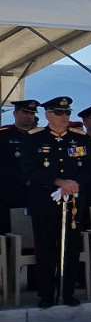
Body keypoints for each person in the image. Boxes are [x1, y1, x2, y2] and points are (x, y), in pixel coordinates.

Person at [26, 97, 91, 307]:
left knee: (71, 248)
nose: (65, 117)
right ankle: (46, 294)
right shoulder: (34, 139)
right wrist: (57, 181)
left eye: (67, 113)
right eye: (59, 113)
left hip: (72, 204)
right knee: (45, 248)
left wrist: (75, 183)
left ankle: (67, 292)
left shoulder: (81, 139)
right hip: (44, 203)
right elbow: (29, 171)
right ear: (47, 114)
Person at [1, 99, 43, 238]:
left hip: (37, 194)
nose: (29, 116)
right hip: (10, 194)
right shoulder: (3, 135)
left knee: (37, 235)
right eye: (25, 112)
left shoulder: (42, 137)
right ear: (14, 113)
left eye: (32, 113)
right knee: (8, 235)